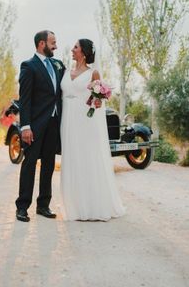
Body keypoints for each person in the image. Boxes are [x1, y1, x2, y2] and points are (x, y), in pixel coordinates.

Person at [60, 38, 125, 221]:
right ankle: (74, 206)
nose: (72, 50)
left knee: (87, 158)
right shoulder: (65, 71)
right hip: (68, 120)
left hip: (85, 121)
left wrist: (97, 100)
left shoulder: (93, 73)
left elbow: (98, 101)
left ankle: (93, 205)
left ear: (84, 52)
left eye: (75, 47)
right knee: (72, 158)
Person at [15, 30, 64, 222]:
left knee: (49, 165)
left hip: (53, 123)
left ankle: (43, 205)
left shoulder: (57, 65)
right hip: (34, 125)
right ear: (42, 44)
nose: (56, 46)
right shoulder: (29, 66)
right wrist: (25, 126)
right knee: (29, 164)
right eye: (53, 42)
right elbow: (25, 99)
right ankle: (22, 207)